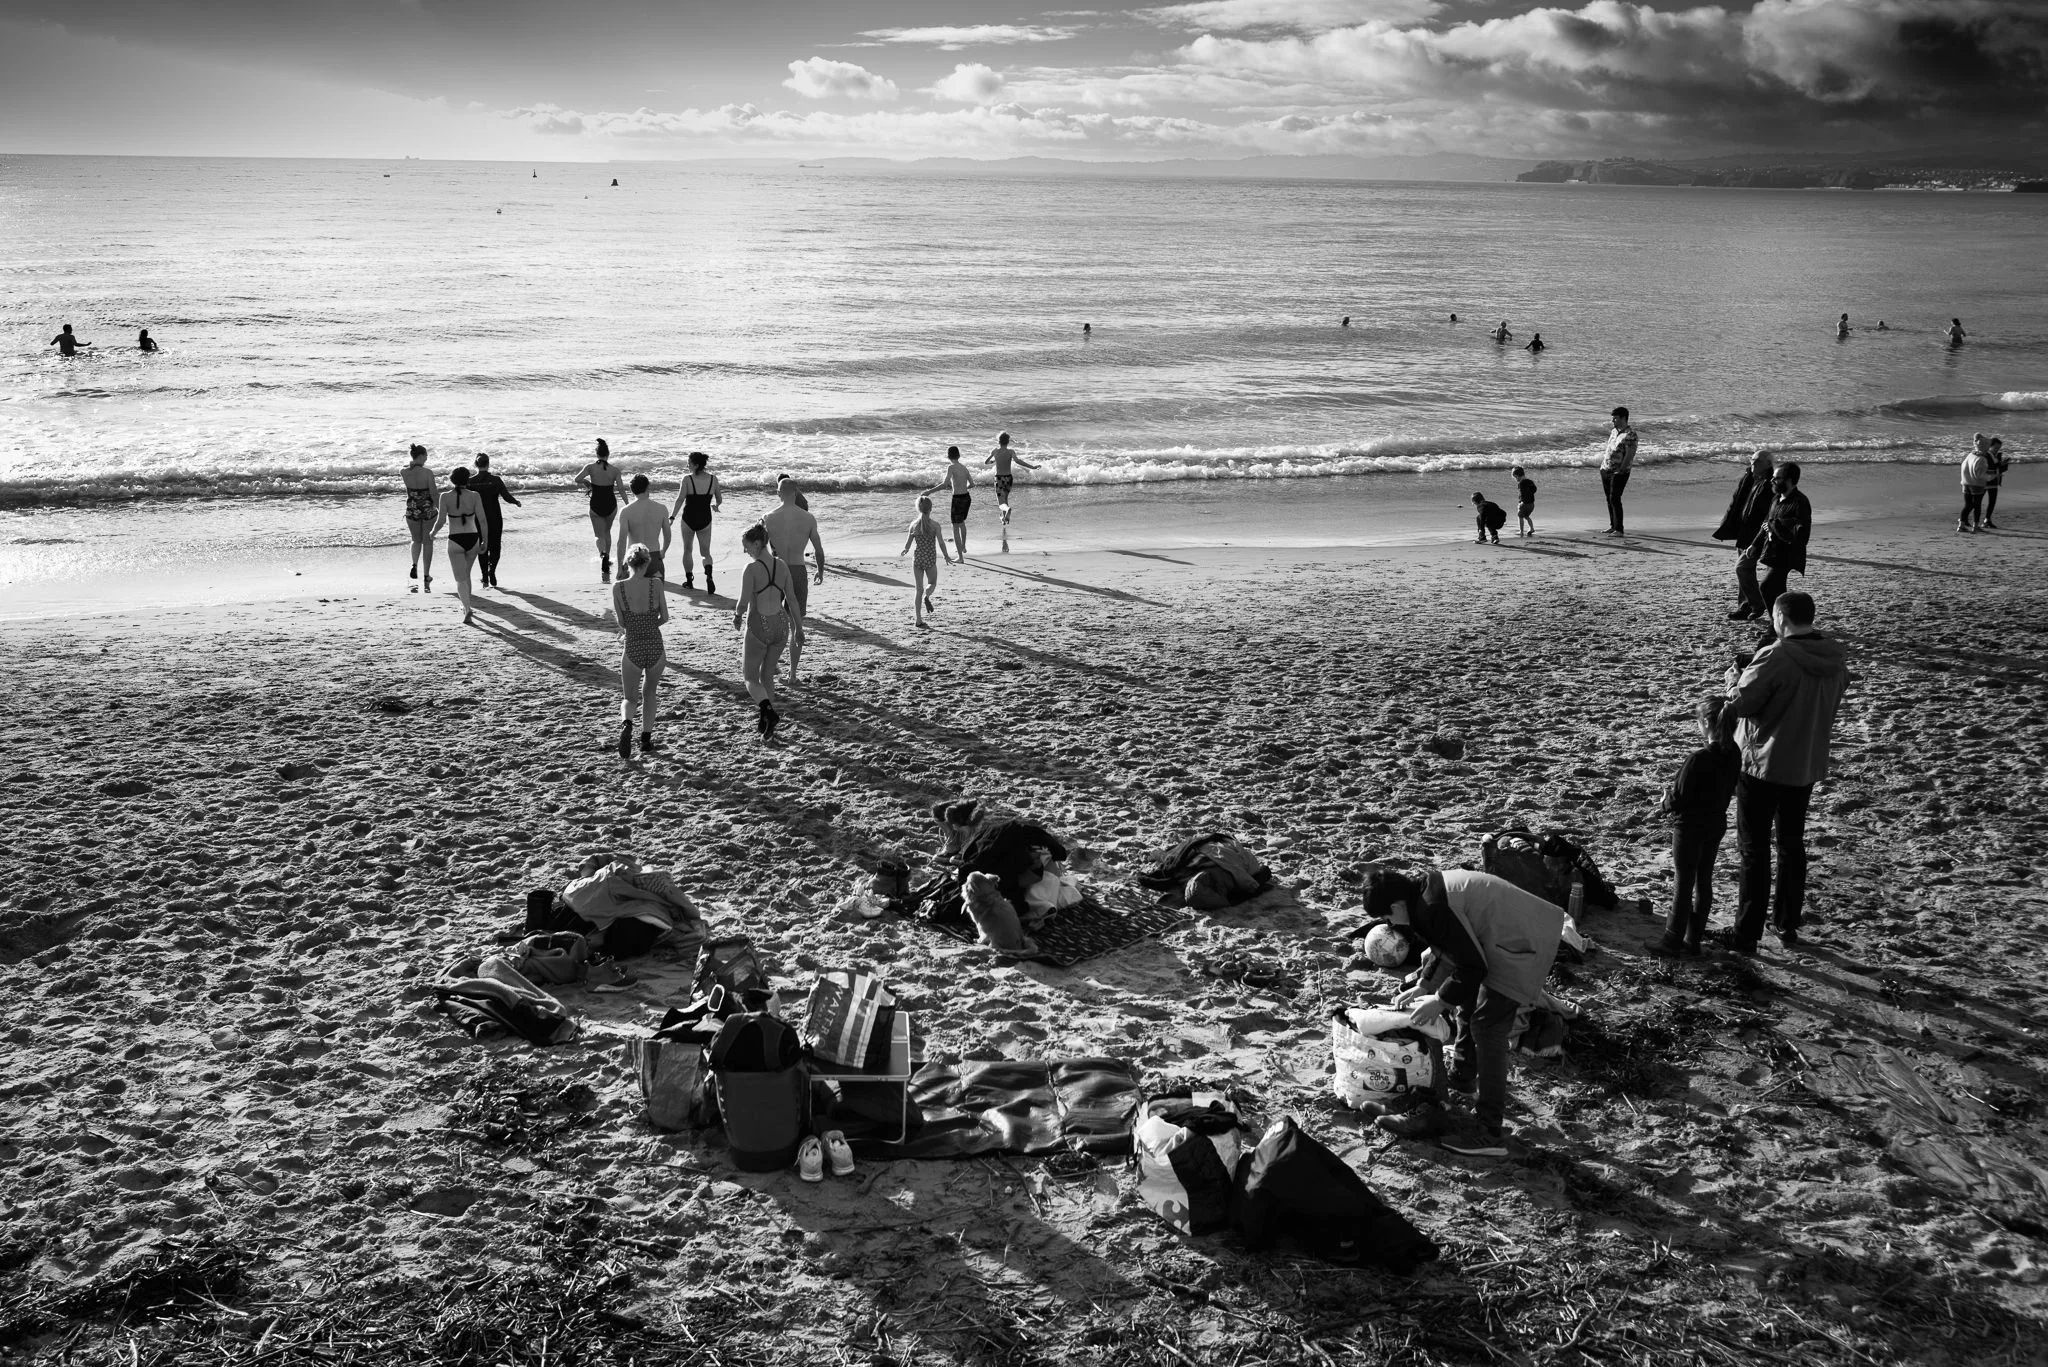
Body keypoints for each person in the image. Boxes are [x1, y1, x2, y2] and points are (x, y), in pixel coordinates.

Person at [1357, 867, 1565, 1156]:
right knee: (1466, 1007)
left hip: (1524, 941)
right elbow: (1450, 948)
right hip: (1502, 937)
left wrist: (1440, 1000)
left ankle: (1489, 1132)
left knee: (1487, 1026)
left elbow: (1472, 966)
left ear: (1396, 906)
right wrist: (1425, 986)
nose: (1389, 924)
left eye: (1387, 917)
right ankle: (1461, 1084)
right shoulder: (1423, 895)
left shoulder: (1435, 907)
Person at [1722, 591, 1850, 953]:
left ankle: (1746, 933)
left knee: (1754, 848)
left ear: (1780, 617)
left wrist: (1733, 679)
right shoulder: (1835, 658)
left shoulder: (1777, 654)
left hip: (1763, 764)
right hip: (1805, 762)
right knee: (1791, 844)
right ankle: (1786, 923)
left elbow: (1742, 705)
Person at [1650, 698, 1741, 958]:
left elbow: (1679, 800)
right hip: (1715, 823)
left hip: (1690, 827)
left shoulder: (1698, 759)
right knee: (1704, 879)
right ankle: (1693, 940)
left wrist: (1664, 802)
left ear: (1706, 724)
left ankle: (1671, 940)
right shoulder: (1733, 753)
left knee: (1683, 880)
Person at [734, 523, 795, 740]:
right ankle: (767, 722)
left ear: (758, 543)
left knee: (750, 677)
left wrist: (737, 615)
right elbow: (791, 599)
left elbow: (742, 602)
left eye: (746, 546)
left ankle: (768, 711)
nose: (745, 550)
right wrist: (798, 627)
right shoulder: (783, 565)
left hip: (760, 624)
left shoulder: (751, 569)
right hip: (781, 623)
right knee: (767, 675)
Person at [763, 478, 826, 685]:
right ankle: (792, 674)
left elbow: (758, 548)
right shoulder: (808, 518)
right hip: (797, 570)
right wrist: (820, 571)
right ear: (797, 492)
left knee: (769, 620)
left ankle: (769, 665)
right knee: (795, 623)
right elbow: (818, 549)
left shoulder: (768, 517)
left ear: (778, 493)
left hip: (774, 570)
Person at [611, 543, 670, 758]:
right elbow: (664, 617)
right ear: (647, 564)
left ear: (627, 563)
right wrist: (650, 625)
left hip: (633, 645)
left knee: (629, 697)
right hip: (655, 646)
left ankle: (627, 723)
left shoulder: (618, 588)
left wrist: (632, 629)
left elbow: (622, 621)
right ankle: (645, 740)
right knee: (650, 692)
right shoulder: (656, 584)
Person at [1735, 461, 1810, 619]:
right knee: (1778, 590)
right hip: (1772, 552)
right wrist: (1755, 544)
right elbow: (1765, 524)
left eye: (1776, 478)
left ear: (1788, 480)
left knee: (1766, 587)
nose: (1772, 481)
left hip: (1787, 554)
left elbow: (1800, 535)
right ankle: (1781, 622)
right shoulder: (1776, 499)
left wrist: (1775, 527)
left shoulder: (1799, 502)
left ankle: (1774, 625)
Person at [1716, 449, 1778, 618]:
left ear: (1767, 464)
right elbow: (1737, 502)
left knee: (1742, 568)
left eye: (1757, 461)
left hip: (1757, 535)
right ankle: (1745, 606)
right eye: (1751, 459)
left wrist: (1762, 536)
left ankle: (1757, 604)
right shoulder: (1751, 479)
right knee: (1746, 571)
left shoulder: (1770, 484)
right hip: (1744, 532)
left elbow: (1769, 516)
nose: (1752, 463)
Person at [432, 466, 487, 625]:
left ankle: (467, 608)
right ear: (467, 480)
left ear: (452, 480)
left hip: (455, 539)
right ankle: (467, 606)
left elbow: (441, 521)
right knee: (466, 574)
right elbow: (482, 521)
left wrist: (433, 533)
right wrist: (485, 541)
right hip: (473, 537)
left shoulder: (445, 497)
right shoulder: (475, 496)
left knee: (460, 578)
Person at [468, 453, 522, 589]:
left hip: (478, 518)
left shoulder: (470, 481)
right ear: (488, 464)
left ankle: (484, 575)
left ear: (475, 465)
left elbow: (466, 500)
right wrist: (516, 502)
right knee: (495, 546)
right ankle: (492, 571)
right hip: (495, 517)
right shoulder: (496, 480)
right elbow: (506, 496)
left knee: (482, 545)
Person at [899, 495, 954, 628]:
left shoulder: (913, 525)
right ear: (931, 509)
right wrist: (946, 555)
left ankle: (918, 619)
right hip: (930, 558)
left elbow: (907, 545)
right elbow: (941, 543)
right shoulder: (935, 525)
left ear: (918, 509)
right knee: (932, 583)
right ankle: (927, 596)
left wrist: (905, 550)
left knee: (918, 589)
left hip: (917, 558)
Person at [669, 451, 722, 590]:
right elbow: (719, 499)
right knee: (705, 553)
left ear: (696, 465)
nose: (687, 465)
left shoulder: (687, 479)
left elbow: (680, 499)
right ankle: (709, 575)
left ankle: (689, 581)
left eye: (689, 463)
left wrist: (672, 516)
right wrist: (715, 506)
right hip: (705, 519)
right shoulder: (713, 479)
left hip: (688, 519)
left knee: (687, 550)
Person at [575, 439, 625, 582]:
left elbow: (577, 479)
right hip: (611, 504)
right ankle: (607, 556)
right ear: (608, 454)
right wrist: (628, 504)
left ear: (597, 454)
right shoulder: (615, 470)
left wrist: (587, 483)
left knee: (598, 535)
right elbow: (621, 489)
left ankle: (602, 553)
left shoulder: (590, 467)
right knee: (607, 532)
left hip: (596, 504)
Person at [615, 474, 670, 581]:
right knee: (654, 594)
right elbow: (667, 535)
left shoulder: (626, 511)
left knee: (633, 595)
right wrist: (663, 551)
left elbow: (621, 542)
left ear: (632, 490)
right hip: (654, 556)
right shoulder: (661, 509)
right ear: (647, 487)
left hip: (633, 557)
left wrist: (619, 567)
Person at [924, 446, 975, 561]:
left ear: (948, 456)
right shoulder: (964, 468)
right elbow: (972, 484)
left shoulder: (951, 467)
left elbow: (944, 484)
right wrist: (963, 487)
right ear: (959, 455)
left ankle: (960, 557)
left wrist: (929, 492)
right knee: (961, 523)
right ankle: (963, 547)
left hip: (957, 499)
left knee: (955, 526)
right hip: (967, 497)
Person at [401, 444, 438, 592]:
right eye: (426, 455)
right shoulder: (428, 473)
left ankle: (414, 564)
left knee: (416, 540)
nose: (427, 458)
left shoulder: (404, 471)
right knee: (427, 542)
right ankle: (426, 575)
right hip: (428, 509)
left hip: (412, 509)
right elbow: (434, 494)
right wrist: (442, 510)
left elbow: (406, 467)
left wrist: (412, 464)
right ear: (421, 456)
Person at [983, 432, 1038, 524]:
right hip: (1008, 478)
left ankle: (1007, 510)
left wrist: (993, 461)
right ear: (1008, 442)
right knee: (1005, 499)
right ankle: (1004, 519)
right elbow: (1018, 461)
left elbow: (986, 462)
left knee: (1001, 503)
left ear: (998, 441)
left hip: (999, 478)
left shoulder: (995, 451)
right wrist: (1032, 467)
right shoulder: (1011, 452)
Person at [1600, 406, 1637, 536]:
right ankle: (1612, 526)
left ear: (1623, 418)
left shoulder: (1630, 434)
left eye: (1615, 418)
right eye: (1613, 418)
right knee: (1609, 499)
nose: (1613, 421)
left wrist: (1621, 470)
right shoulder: (1614, 431)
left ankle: (1619, 529)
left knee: (1615, 498)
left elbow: (1630, 454)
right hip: (1606, 469)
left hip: (1619, 471)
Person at [1959, 435, 1994, 533]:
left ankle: (1961, 525)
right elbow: (1980, 475)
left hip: (1966, 483)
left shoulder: (1970, 455)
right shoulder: (1982, 459)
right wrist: (1992, 476)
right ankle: (1975, 526)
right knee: (1977, 506)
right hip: (1977, 484)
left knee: (1967, 505)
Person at [1983, 436, 2007, 530]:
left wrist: (2003, 465)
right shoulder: (1986, 455)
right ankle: (1965, 519)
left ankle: (1987, 520)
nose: (1997, 450)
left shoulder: (1996, 455)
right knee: (1976, 502)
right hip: (1985, 481)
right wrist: (2000, 466)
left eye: (1999, 448)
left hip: (1994, 481)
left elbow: (1996, 467)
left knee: (1992, 502)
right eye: (1996, 448)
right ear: (1990, 446)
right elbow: (1988, 468)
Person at [1512, 466, 1537, 537]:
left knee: (1520, 516)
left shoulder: (1521, 483)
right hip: (1531, 504)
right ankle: (1531, 528)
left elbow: (1522, 493)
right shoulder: (1530, 481)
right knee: (1526, 516)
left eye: (1515, 478)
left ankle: (1521, 531)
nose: (1515, 479)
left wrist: (1521, 502)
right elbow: (1534, 490)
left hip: (1524, 503)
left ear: (1517, 476)